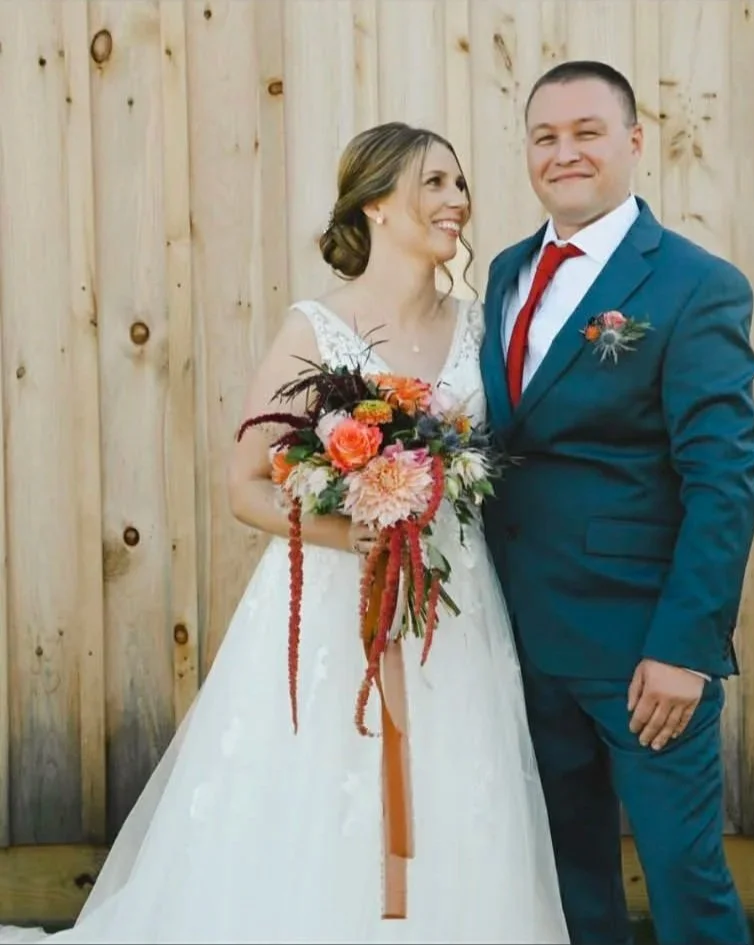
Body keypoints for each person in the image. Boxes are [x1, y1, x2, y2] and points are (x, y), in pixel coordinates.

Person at [0, 123, 568, 944]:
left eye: (460, 184)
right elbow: (245, 485)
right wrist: (355, 532)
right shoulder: (317, 327)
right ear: (375, 204)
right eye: (434, 184)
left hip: (453, 600)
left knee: (457, 786)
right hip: (336, 602)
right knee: (318, 790)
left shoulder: (480, 326)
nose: (457, 202)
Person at [480, 61, 754, 945]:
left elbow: (723, 480)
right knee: (568, 876)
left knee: (684, 882)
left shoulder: (691, 284)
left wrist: (684, 647)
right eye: (544, 137)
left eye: (586, 132)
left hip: (639, 651)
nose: (563, 153)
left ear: (634, 144)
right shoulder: (505, 271)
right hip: (518, 635)